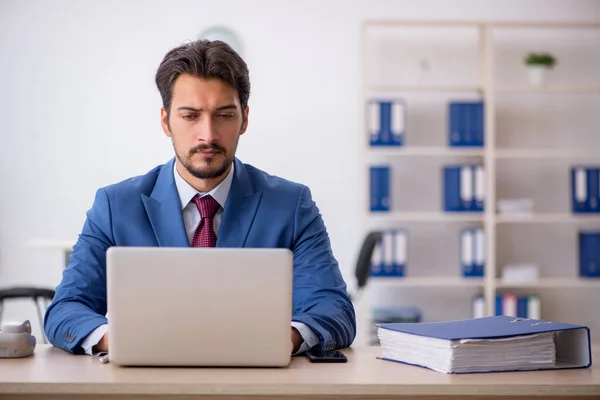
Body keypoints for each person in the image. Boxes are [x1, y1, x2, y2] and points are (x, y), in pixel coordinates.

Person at [43, 39, 356, 356]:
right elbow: (66, 310)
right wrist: (125, 341)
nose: (208, 135)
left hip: (257, 383)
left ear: (244, 119)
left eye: (224, 115)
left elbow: (334, 310)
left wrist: (278, 340)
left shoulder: (291, 205)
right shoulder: (115, 205)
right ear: (166, 121)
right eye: (190, 116)